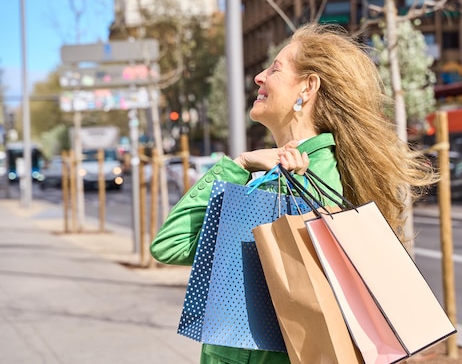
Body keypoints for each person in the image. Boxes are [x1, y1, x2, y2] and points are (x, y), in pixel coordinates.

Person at [150, 22, 437, 364]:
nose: (259, 77)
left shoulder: (299, 181)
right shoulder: (295, 173)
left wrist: (242, 168)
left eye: (274, 69)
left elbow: (171, 245)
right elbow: (171, 245)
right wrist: (243, 165)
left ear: (308, 87)